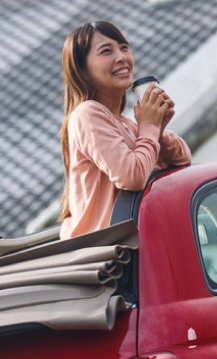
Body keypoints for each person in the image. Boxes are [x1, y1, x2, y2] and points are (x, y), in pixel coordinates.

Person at [59, 21, 192, 239]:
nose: (121, 57)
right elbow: (131, 176)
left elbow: (183, 160)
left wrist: (156, 130)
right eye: (106, 51)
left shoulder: (125, 123)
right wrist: (149, 127)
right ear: (82, 69)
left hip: (129, 250)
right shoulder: (87, 114)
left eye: (124, 47)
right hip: (106, 259)